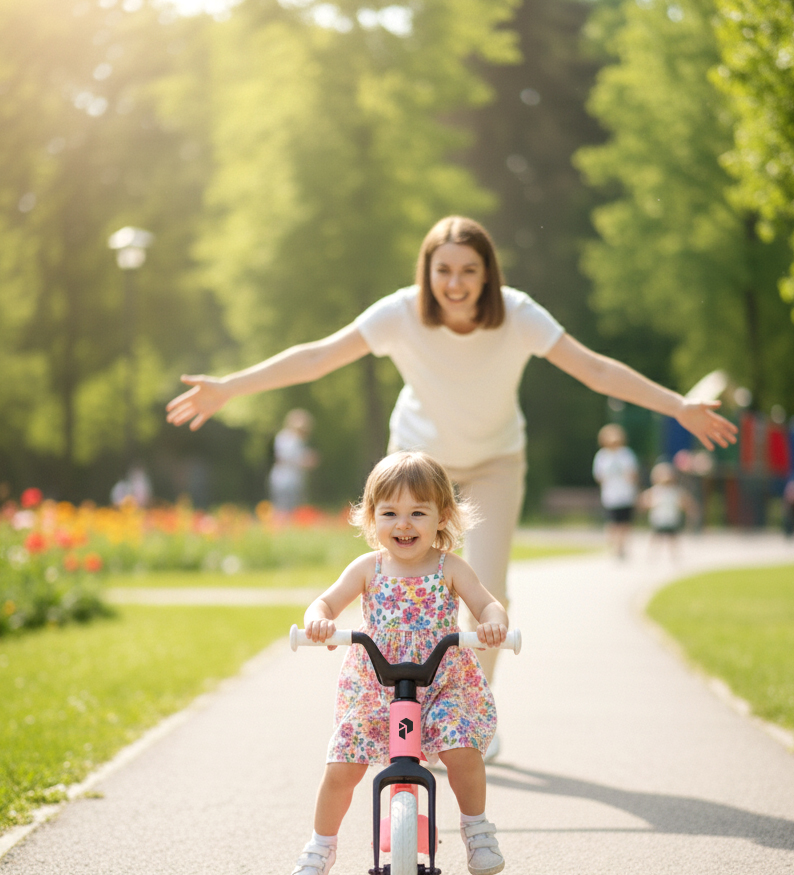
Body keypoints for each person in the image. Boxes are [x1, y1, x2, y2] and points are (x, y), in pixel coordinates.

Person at [166, 215, 737, 757]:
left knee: (490, 590)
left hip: (494, 461)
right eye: (444, 271)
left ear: (487, 273)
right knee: (402, 586)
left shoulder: (518, 315)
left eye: (468, 270)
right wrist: (230, 388)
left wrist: (677, 405)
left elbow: (596, 370)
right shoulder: (400, 314)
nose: (455, 283)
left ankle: (471, 713)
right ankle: (404, 709)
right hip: (418, 462)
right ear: (427, 272)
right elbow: (318, 356)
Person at [289, 451, 508, 875]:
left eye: (417, 513)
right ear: (372, 517)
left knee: (463, 747)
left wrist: (492, 621)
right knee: (342, 765)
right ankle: (320, 847)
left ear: (442, 516)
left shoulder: (451, 568)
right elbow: (325, 603)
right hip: (376, 683)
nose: (403, 525)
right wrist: (320, 621)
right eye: (390, 513)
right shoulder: (368, 568)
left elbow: (487, 602)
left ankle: (476, 829)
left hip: (442, 682)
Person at [592, 424, 639, 559]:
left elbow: (633, 474)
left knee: (625, 523)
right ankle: (614, 547)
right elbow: (599, 476)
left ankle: (622, 547)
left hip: (625, 494)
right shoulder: (602, 456)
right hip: (610, 495)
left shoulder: (626, 454)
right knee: (613, 523)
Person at [638, 462, 698, 558]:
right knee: (656, 537)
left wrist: (689, 511)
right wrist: (647, 505)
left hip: (671, 518)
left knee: (672, 537)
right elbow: (644, 499)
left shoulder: (675, 491)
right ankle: (652, 555)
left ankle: (674, 555)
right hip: (659, 519)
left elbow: (686, 501)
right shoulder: (656, 490)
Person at [268, 408, 319, 515]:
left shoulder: (300, 440)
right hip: (283, 479)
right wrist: (304, 462)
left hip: (295, 480)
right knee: (282, 508)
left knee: (294, 509)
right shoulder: (284, 437)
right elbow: (283, 458)